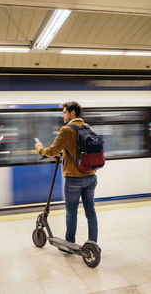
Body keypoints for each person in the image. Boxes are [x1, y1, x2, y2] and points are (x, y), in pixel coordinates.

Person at [35, 101, 98, 244]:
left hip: (73, 179)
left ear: (72, 113)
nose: (63, 115)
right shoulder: (89, 128)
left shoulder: (67, 130)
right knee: (90, 212)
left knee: (71, 213)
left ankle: (69, 243)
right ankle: (92, 243)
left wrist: (40, 148)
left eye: (64, 112)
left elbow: (51, 151)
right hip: (91, 176)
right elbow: (78, 152)